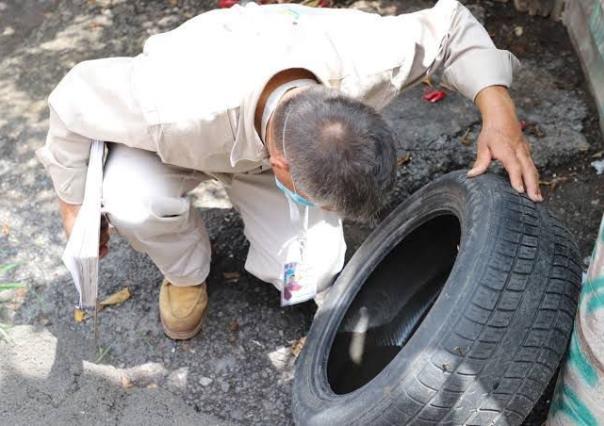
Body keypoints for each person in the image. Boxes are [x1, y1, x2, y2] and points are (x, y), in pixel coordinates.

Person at [37, 0, 542, 340]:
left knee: (315, 267)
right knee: (132, 201)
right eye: (314, 199)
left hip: (266, 134)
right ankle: (185, 272)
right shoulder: (168, 104)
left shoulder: (367, 58)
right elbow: (72, 97)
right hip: (179, 143)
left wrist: (499, 115)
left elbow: (452, 23)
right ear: (282, 167)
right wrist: (73, 202)